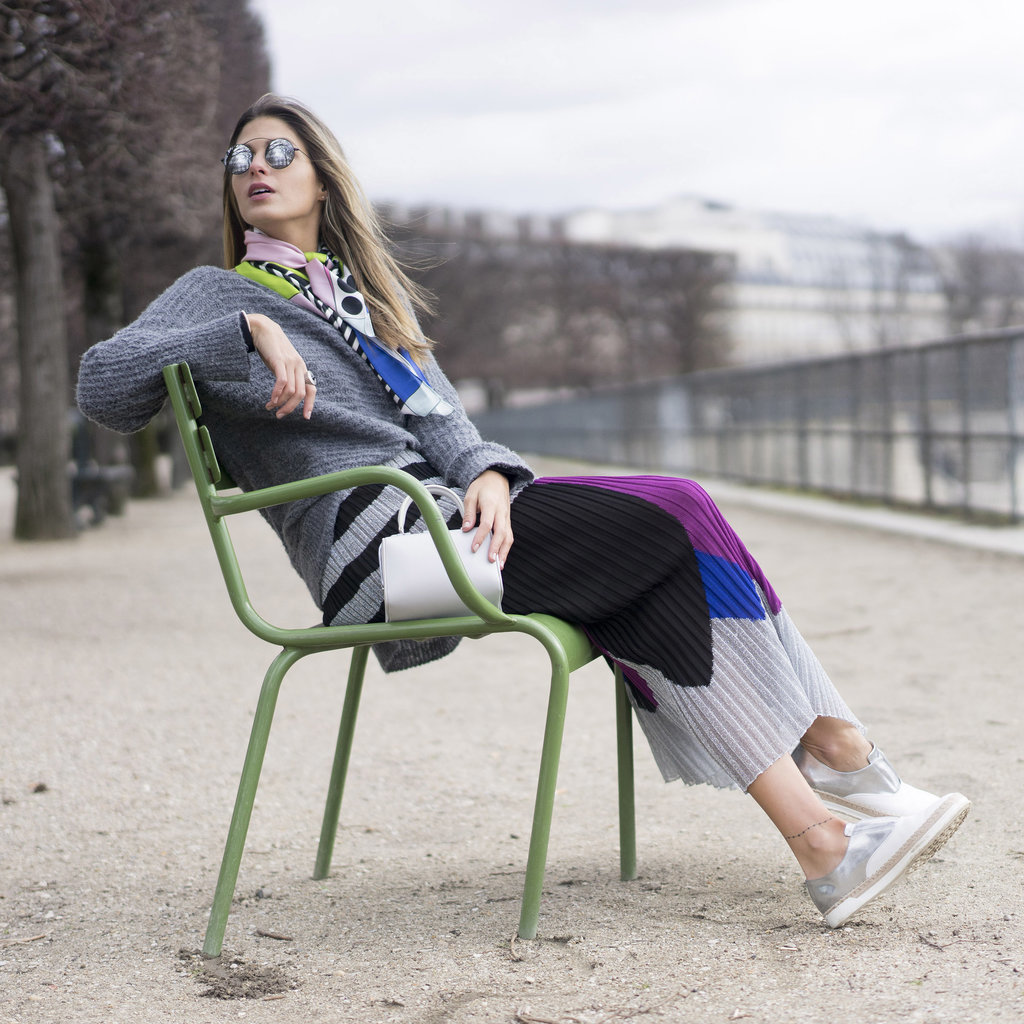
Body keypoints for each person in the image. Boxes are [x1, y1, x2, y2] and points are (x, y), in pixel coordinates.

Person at [76, 94, 969, 930]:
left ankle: (825, 842)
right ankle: (838, 752)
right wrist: (243, 331)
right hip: (383, 550)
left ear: (322, 176)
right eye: (241, 157)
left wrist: (494, 475)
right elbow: (103, 387)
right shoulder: (216, 291)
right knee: (674, 515)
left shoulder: (361, 297)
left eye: (280, 151)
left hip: (450, 524)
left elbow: (453, 426)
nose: (255, 167)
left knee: (647, 565)